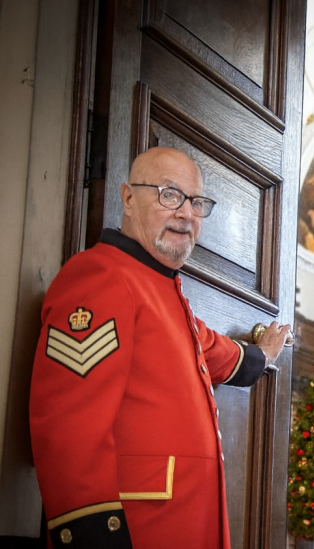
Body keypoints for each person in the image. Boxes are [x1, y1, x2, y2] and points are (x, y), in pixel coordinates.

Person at [29, 147, 291, 548]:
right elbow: (68, 429)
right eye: (169, 195)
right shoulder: (101, 276)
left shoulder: (165, 294)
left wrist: (263, 355)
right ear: (129, 198)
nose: (186, 213)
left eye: (197, 202)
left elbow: (212, 351)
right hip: (135, 531)